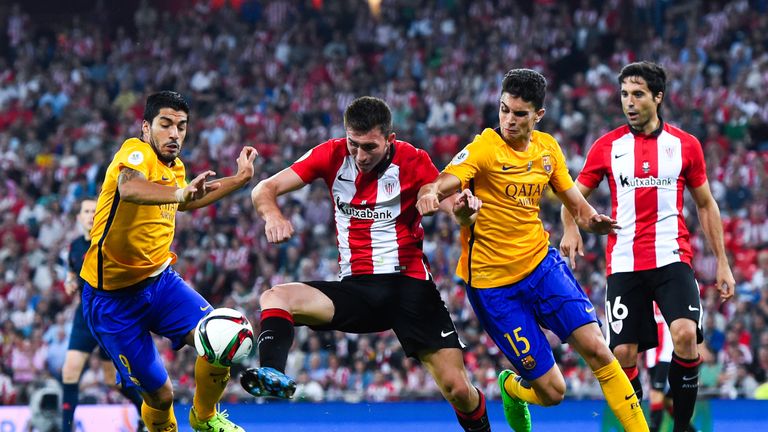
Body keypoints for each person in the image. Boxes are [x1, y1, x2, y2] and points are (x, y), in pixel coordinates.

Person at [241, 96, 492, 432]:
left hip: (410, 287)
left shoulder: (415, 161)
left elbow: (454, 210)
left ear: (390, 138)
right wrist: (273, 215)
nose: (359, 156)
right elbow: (264, 188)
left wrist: (461, 209)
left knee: (459, 390)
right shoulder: (330, 154)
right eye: (353, 144)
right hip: (357, 289)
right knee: (275, 297)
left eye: (369, 147)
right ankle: (272, 371)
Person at [416, 69, 648, 432]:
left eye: (519, 113)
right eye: (504, 109)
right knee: (554, 393)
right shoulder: (484, 148)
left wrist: (591, 221)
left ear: (538, 115)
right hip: (494, 288)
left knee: (600, 351)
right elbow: (444, 182)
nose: (509, 119)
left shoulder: (547, 149)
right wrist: (432, 193)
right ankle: (511, 387)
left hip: (543, 267)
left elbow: (577, 205)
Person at [560, 61, 735, 432]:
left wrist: (722, 261)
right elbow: (572, 196)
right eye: (624, 94)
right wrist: (572, 228)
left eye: (638, 94)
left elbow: (706, 204)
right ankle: (638, 422)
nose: (629, 102)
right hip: (623, 263)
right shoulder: (606, 147)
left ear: (658, 97)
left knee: (686, 335)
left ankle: (682, 425)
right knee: (622, 354)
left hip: (672, 258)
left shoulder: (685, 146)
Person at [79, 91, 257, 432]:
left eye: (181, 126)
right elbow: (131, 189)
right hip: (112, 301)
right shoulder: (135, 152)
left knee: (225, 336)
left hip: (161, 283)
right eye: (165, 125)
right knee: (161, 397)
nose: (174, 134)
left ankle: (205, 417)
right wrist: (179, 193)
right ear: (146, 127)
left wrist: (239, 180)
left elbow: (186, 202)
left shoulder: (175, 167)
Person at [61, 198, 145, 432]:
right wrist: (69, 281)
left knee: (113, 380)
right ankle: (66, 428)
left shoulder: (109, 242)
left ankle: (146, 414)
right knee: (69, 371)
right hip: (84, 317)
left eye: (94, 211)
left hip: (110, 317)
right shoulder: (75, 246)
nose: (90, 215)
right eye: (85, 211)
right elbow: (71, 270)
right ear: (79, 217)